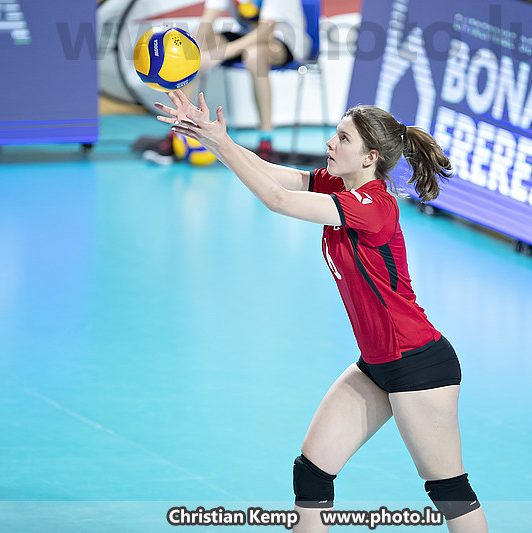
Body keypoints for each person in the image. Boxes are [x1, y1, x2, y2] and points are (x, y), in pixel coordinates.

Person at [156, 90, 489, 533]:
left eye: (343, 138)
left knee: (449, 491)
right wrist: (212, 137)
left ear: (370, 157)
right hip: (377, 363)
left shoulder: (375, 207)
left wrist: (219, 144)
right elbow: (273, 174)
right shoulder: (340, 185)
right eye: (335, 134)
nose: (331, 143)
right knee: (312, 471)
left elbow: (277, 199)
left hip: (417, 364)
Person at [136, 0, 310, 164]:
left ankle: (266, 142)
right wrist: (189, 52)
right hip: (247, 36)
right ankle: (178, 132)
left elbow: (265, 33)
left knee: (254, 56)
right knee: (192, 54)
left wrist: (219, 54)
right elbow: (206, 23)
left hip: (285, 41)